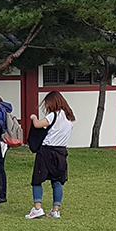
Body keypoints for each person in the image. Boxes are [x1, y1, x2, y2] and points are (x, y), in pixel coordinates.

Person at [26, 91, 75, 219]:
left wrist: (33, 118)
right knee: (57, 181)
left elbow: (38, 125)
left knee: (37, 180)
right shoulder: (69, 118)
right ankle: (55, 210)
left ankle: (37, 208)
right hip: (61, 152)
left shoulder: (53, 115)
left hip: (47, 151)